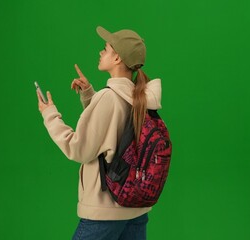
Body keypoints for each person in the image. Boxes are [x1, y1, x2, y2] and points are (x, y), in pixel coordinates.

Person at [36, 26, 163, 240]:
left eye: (105, 49)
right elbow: (117, 131)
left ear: (117, 59)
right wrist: (89, 95)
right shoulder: (139, 96)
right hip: (136, 210)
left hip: (106, 209)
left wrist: (50, 115)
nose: (101, 53)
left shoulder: (109, 98)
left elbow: (78, 149)